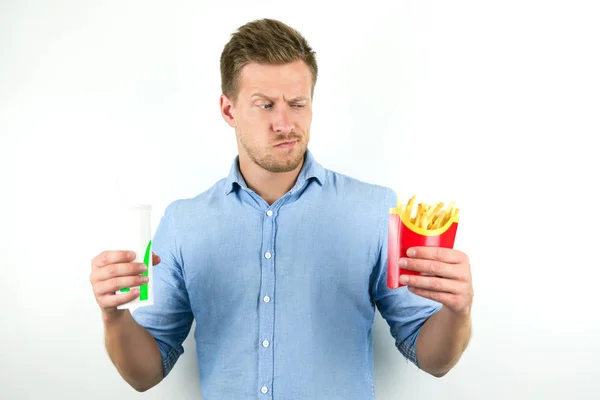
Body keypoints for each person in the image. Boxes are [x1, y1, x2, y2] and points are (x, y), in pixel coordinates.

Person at [89, 18, 473, 399]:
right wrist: (114, 316)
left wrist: (457, 312)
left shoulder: (375, 210)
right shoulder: (183, 222)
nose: (284, 123)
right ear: (228, 110)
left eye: (297, 104)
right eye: (265, 105)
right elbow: (145, 374)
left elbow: (431, 358)